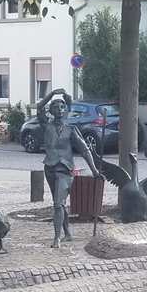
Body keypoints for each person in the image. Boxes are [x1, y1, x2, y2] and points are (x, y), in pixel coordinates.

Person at [36, 88, 100, 247]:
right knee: (60, 203)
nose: (59, 110)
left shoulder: (71, 129)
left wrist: (94, 170)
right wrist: (51, 94)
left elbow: (85, 150)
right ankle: (68, 233)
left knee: (58, 204)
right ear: (51, 111)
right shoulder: (47, 126)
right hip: (50, 168)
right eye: (55, 107)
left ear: (65, 110)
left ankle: (56, 238)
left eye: (62, 107)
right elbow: (39, 108)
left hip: (65, 170)